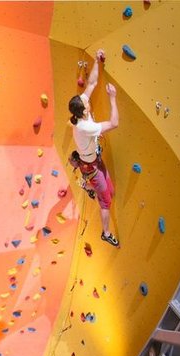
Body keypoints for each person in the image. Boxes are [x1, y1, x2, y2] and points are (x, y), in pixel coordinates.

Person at [68, 48, 121, 247]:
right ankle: (106, 233)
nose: (88, 103)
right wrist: (113, 98)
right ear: (82, 113)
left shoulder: (80, 107)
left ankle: (89, 187)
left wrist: (98, 61)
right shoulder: (85, 127)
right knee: (106, 200)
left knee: (110, 190)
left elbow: (91, 83)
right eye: (86, 105)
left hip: (92, 160)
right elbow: (114, 123)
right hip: (91, 167)